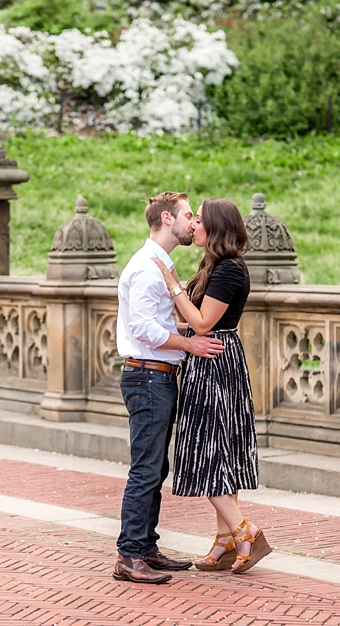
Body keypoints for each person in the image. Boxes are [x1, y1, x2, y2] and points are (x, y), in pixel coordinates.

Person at [151, 197, 272, 574]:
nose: (193, 226)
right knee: (219, 451)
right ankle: (224, 541)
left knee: (208, 452)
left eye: (199, 220)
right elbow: (198, 324)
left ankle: (243, 529)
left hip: (214, 363)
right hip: (213, 356)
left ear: (216, 228)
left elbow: (204, 323)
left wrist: (172, 284)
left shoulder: (229, 270)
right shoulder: (216, 266)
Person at [113, 191, 226, 584]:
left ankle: (145, 547)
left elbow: (153, 322)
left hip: (156, 374)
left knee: (156, 466)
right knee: (146, 467)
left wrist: (185, 331)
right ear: (166, 219)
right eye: (187, 215)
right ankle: (129, 554)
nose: (193, 223)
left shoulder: (160, 263)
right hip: (147, 375)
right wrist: (191, 342)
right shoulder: (147, 267)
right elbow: (142, 329)